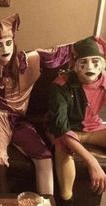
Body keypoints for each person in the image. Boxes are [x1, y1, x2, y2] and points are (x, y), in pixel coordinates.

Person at [0, 13, 54, 195]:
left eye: (8, 43)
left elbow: (64, 51)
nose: (4, 49)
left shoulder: (28, 61)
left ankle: (47, 201)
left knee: (44, 156)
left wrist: (95, 47)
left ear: (14, 43)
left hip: (19, 121)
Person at [47, 36, 106, 206]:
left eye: (95, 62)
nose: (90, 67)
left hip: (93, 129)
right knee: (62, 146)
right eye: (84, 62)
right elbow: (60, 128)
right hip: (66, 132)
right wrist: (92, 161)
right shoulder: (60, 85)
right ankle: (67, 200)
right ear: (74, 65)